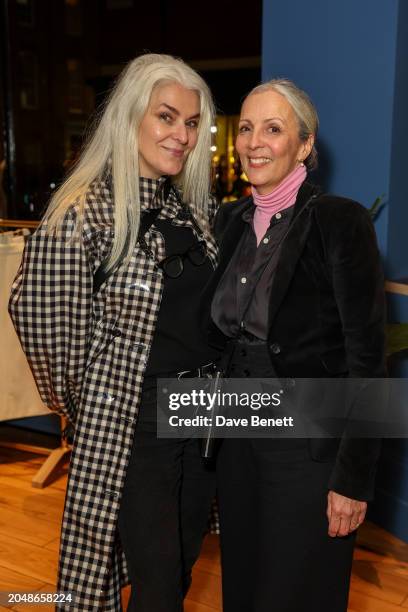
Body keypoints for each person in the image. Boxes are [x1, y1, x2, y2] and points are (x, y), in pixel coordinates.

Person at [9, 53, 220, 611]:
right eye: (167, 117)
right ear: (129, 118)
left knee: (179, 565)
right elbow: (43, 325)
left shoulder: (190, 209)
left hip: (202, 415)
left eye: (192, 122)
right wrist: (88, 409)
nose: (182, 135)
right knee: (154, 579)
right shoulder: (81, 215)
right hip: (135, 425)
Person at [204, 79, 386, 612]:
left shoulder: (339, 220)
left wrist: (353, 479)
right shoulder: (229, 221)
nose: (254, 141)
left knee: (296, 593)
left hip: (307, 446)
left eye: (274, 128)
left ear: (305, 145)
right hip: (237, 435)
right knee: (242, 585)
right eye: (246, 127)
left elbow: (368, 359)